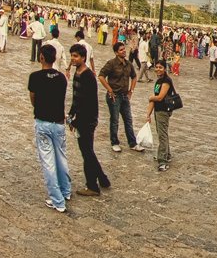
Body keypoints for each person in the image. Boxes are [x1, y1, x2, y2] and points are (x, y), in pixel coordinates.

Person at [29, 44, 71, 212]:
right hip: (59, 123)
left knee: (48, 162)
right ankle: (65, 190)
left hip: (43, 122)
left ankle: (57, 200)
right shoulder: (61, 78)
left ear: (41, 58)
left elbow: (33, 98)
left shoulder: (35, 77)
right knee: (61, 158)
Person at [68, 43, 110, 197]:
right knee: (88, 151)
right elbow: (76, 98)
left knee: (87, 153)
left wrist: (77, 121)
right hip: (80, 118)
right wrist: (71, 114)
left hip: (87, 120)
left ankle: (92, 185)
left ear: (83, 58)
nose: (73, 59)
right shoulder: (77, 73)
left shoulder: (88, 76)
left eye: (76, 56)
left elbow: (88, 102)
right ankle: (103, 179)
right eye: (72, 55)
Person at [98, 40, 142, 153]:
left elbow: (134, 77)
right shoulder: (111, 64)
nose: (124, 51)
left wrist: (131, 91)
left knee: (128, 120)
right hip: (114, 96)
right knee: (115, 120)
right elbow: (101, 76)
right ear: (116, 52)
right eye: (121, 50)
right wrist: (109, 90)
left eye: (124, 49)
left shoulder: (128, 64)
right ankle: (114, 142)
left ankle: (132, 143)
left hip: (125, 95)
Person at [144, 59, 177, 171]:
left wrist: (150, 97)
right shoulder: (158, 81)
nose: (158, 69)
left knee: (162, 134)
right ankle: (166, 154)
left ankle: (162, 160)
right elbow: (155, 98)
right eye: (156, 67)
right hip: (158, 110)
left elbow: (159, 97)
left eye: (160, 67)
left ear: (164, 68)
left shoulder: (166, 81)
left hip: (163, 110)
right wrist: (148, 114)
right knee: (162, 132)